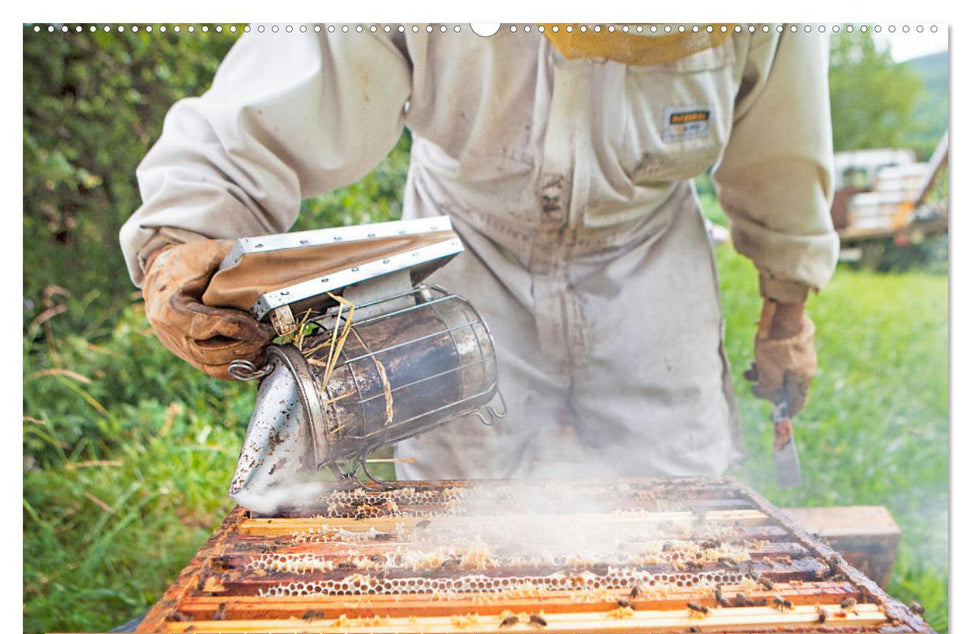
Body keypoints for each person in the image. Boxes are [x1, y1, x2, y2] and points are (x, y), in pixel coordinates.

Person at [122, 25, 838, 480]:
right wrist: (183, 235)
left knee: (675, 498)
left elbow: (784, 142)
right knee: (454, 504)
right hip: (467, 254)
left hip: (647, 259)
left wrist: (786, 311)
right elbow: (274, 95)